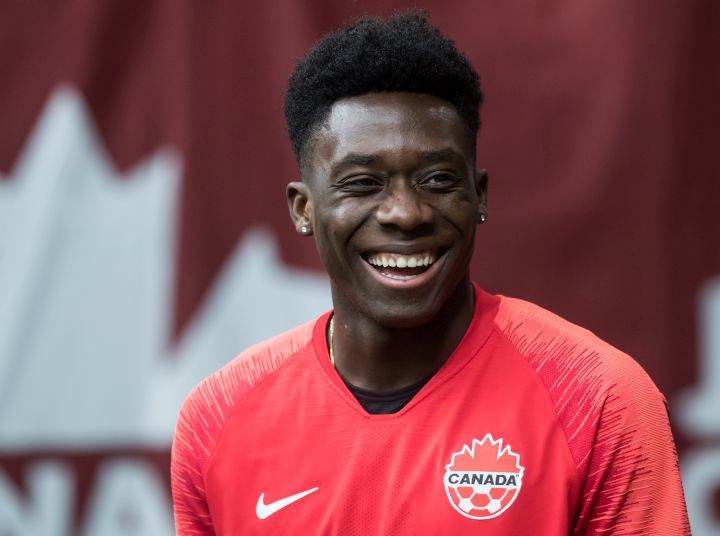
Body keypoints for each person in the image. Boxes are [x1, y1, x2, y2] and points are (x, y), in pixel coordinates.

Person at [171, 11, 690, 535]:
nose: (406, 213)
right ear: (304, 209)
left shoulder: (596, 399)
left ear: (478, 196)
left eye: (438, 179)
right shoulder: (218, 418)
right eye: (362, 183)